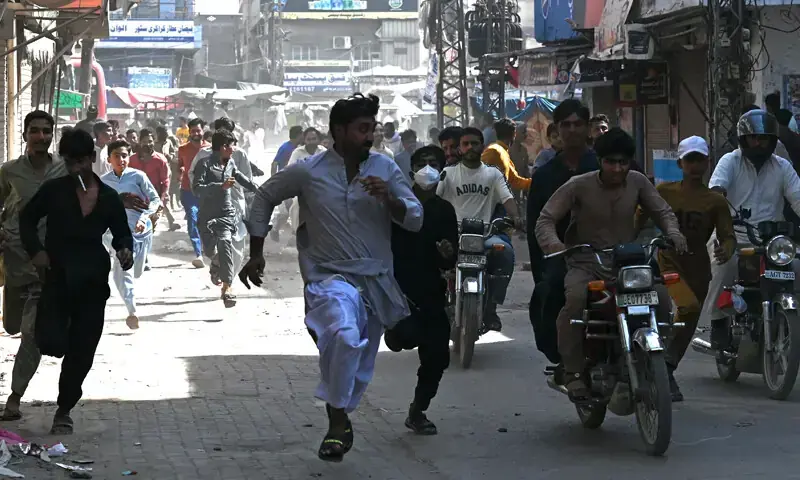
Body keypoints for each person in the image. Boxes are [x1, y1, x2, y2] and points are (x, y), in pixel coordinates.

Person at [239, 93, 422, 462]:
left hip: (376, 280)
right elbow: (264, 197)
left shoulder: (385, 169)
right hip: (327, 277)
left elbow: (415, 217)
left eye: (372, 128)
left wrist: (391, 200)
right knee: (341, 334)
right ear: (338, 131)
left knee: (360, 359)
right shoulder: (309, 169)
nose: (369, 136)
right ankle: (336, 420)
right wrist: (256, 251)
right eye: (361, 129)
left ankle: (342, 411)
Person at [535, 127, 686, 402]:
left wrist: (673, 233)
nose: (617, 169)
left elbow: (662, 211)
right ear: (600, 160)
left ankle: (659, 363)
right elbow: (545, 219)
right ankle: (574, 373)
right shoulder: (579, 184)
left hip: (627, 262)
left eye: (623, 162)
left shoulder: (639, 182)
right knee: (575, 301)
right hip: (585, 261)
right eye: (611, 161)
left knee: (662, 299)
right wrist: (555, 247)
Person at [19, 127, 133, 434]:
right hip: (56, 276)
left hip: (93, 281)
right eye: (71, 163)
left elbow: (122, 233)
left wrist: (125, 251)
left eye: (82, 162)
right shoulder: (54, 190)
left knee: (82, 349)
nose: (77, 169)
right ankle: (62, 346)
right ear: (65, 162)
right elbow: (26, 219)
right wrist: (36, 252)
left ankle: (64, 409)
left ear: (93, 159)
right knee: (52, 340)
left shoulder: (108, 197)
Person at [633, 136, 735, 402]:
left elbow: (728, 235)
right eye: (690, 159)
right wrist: (625, 242)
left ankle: (666, 368)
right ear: (680, 162)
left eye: (699, 159)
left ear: (707, 162)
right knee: (686, 308)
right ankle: (662, 364)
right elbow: (640, 216)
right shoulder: (665, 191)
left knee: (688, 321)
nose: (694, 164)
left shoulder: (715, 201)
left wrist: (726, 249)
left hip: (699, 266)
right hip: (669, 259)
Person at [703, 109, 800, 354]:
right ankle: (717, 321)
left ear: (772, 141)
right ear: (743, 139)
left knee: (796, 267)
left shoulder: (783, 167)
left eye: (764, 138)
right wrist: (719, 201)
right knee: (723, 264)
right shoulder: (729, 161)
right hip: (735, 235)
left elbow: (798, 198)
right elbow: (716, 191)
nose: (758, 143)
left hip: (773, 241)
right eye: (753, 138)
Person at [0, 111, 68, 422]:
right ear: (25, 135)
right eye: (35, 131)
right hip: (15, 263)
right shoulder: (9, 171)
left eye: (46, 131)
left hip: (47, 267)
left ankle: (14, 398)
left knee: (30, 333)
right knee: (12, 325)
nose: (41, 137)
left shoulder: (64, 170)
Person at [385, 145, 456, 435]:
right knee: (405, 335)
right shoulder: (396, 203)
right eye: (422, 163)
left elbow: (451, 256)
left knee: (438, 355)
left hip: (430, 289)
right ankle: (395, 332)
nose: (428, 168)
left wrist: (447, 252)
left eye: (433, 163)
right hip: (398, 288)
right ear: (412, 169)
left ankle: (419, 410)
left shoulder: (443, 210)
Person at [527, 99, 598, 368]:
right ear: (556, 129)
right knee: (552, 295)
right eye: (565, 125)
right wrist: (542, 271)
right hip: (563, 257)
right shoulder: (545, 175)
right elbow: (537, 224)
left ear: (587, 128)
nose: (572, 130)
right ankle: (566, 362)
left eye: (578, 124)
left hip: (606, 252)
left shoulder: (607, 167)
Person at [436, 127, 523, 332]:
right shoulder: (448, 173)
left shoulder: (493, 174)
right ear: (460, 148)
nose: (470, 147)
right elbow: (435, 199)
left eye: (475, 143)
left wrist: (516, 217)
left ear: (482, 146)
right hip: (454, 234)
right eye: (466, 144)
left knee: (505, 252)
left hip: (485, 234)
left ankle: (491, 306)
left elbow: (507, 199)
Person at [193, 129, 258, 308]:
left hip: (226, 213)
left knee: (225, 243)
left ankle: (227, 288)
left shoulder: (230, 163)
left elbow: (241, 178)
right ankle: (216, 265)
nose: (234, 149)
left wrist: (258, 189)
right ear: (223, 147)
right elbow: (197, 189)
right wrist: (219, 186)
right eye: (231, 145)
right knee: (210, 251)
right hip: (207, 214)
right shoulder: (204, 164)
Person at [101, 140, 161, 330]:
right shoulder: (103, 182)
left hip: (141, 232)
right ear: (109, 158)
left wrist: (145, 217)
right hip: (116, 234)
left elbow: (155, 199)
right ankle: (132, 311)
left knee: (136, 271)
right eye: (116, 156)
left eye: (124, 155)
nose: (121, 159)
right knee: (123, 268)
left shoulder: (138, 177)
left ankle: (131, 303)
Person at [130, 128, 178, 232]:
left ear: (154, 142)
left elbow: (165, 181)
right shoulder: (132, 160)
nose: (147, 144)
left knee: (150, 229)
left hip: (154, 201)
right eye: (144, 142)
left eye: (150, 141)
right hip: (136, 200)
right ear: (139, 142)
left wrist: (161, 200)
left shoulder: (160, 160)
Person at [178, 118, 209, 268]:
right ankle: (198, 254)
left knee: (207, 222)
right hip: (188, 191)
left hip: (207, 192)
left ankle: (209, 249)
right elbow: (179, 166)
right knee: (192, 220)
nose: (196, 133)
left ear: (203, 131)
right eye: (193, 131)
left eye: (198, 130)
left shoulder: (210, 149)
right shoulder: (182, 149)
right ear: (189, 133)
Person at [481, 118, 531, 192]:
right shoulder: (493, 151)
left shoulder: (503, 151)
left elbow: (515, 180)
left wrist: (535, 182)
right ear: (514, 134)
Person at [156, 125, 182, 213]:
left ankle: (168, 210)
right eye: (164, 132)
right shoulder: (154, 143)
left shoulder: (168, 142)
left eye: (166, 131)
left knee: (168, 190)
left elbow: (172, 152)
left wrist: (170, 156)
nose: (166, 134)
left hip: (167, 169)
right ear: (159, 133)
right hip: (156, 170)